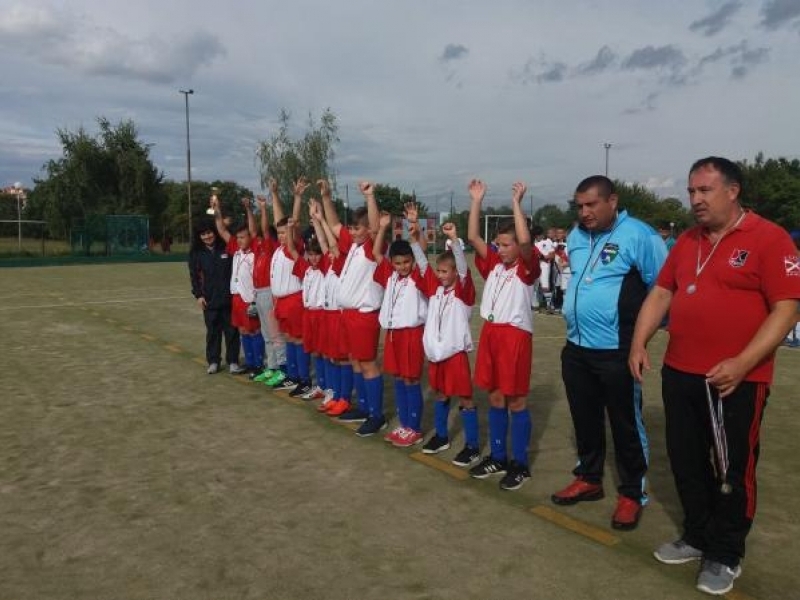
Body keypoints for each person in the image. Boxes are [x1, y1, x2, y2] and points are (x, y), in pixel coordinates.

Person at [629, 157, 800, 596]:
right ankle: (697, 534)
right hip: (681, 373)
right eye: (691, 192)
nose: (696, 200)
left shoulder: (770, 238)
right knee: (686, 462)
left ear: (732, 190)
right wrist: (638, 341)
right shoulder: (687, 241)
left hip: (738, 379)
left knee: (733, 468)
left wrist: (743, 362)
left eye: (704, 190)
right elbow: (662, 291)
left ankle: (726, 552)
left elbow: (787, 308)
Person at [551, 175, 667, 531]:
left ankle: (632, 493)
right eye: (579, 205)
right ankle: (589, 478)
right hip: (577, 348)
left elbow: (662, 287)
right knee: (584, 419)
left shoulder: (639, 235)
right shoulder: (575, 236)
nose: (584, 212)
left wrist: (639, 340)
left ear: (612, 201)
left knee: (625, 423)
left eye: (591, 205)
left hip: (618, 350)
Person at [467, 179, 540, 491]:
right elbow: (472, 236)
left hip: (514, 336)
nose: (500, 248)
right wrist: (476, 200)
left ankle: (520, 464)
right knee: (495, 396)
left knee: (516, 401)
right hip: (491, 334)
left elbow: (524, 244)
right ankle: (497, 456)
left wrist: (516, 205)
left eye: (505, 244)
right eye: (498, 244)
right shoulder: (494, 265)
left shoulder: (526, 268)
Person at [327, 181, 386, 436]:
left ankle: (377, 415)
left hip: (364, 315)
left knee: (368, 364)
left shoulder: (373, 249)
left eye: (357, 228)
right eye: (351, 228)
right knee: (355, 361)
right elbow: (334, 225)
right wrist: (326, 197)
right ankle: (363, 407)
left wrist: (370, 196)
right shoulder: (353, 247)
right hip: (347, 315)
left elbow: (374, 227)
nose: (352, 232)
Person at [419, 222, 480, 466]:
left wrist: (455, 240)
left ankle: (473, 445)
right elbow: (423, 267)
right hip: (436, 355)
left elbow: (464, 269)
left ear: (454, 273)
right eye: (439, 272)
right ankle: (442, 435)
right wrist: (415, 239)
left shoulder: (463, 293)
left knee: (465, 398)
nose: (440, 275)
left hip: (455, 354)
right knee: (441, 394)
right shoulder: (436, 291)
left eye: (445, 272)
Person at [373, 204, 429, 448]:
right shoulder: (390, 275)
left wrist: (414, 226)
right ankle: (404, 424)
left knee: (411, 380)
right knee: (398, 379)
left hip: (411, 335)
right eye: (398, 263)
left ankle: (414, 428)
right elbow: (377, 254)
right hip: (393, 335)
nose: (402, 267)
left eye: (406, 262)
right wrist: (382, 229)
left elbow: (422, 255)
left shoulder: (418, 275)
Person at [214, 197, 264, 374]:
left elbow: (253, 229)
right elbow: (221, 229)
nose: (240, 240)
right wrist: (217, 209)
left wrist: (249, 209)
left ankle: (258, 364)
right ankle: (250, 363)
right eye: (238, 237)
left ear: (250, 237)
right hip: (236, 298)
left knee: (254, 331)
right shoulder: (235, 248)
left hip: (249, 299)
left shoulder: (255, 251)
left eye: (243, 237)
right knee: (243, 330)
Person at [269, 177, 309, 394]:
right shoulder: (278, 248)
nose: (282, 236)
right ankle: (292, 376)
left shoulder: (292, 248)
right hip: (281, 302)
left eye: (285, 233)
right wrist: (274, 194)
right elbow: (281, 221)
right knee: (289, 338)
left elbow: (290, 222)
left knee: (298, 339)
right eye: (280, 233)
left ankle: (303, 379)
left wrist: (297, 197)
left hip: (294, 300)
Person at [188, 218, 240, 374]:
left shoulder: (226, 248)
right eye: (203, 234)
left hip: (228, 298)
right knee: (212, 332)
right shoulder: (196, 253)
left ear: (215, 232)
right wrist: (199, 295)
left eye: (209, 233)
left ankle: (233, 361)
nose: (207, 236)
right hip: (209, 300)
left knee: (231, 332)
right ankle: (213, 361)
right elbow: (194, 276)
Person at [250, 184, 288, 385]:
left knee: (276, 334)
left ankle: (282, 368)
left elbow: (264, 229)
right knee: (267, 334)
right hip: (259, 293)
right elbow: (254, 230)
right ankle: (271, 366)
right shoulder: (258, 249)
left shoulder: (272, 246)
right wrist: (251, 210)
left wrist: (264, 208)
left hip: (270, 293)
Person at [534, 227, 557, 313]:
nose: (538, 237)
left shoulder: (548, 241)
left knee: (545, 286)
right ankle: (535, 305)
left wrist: (542, 257)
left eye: (539, 235)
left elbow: (552, 255)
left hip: (544, 266)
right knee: (535, 286)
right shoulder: (534, 243)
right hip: (535, 265)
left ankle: (549, 305)